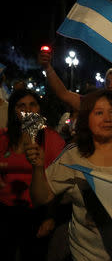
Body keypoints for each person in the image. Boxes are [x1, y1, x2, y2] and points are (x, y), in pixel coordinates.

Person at [25, 89, 112, 261]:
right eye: (99, 113)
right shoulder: (72, 155)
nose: (107, 118)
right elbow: (41, 198)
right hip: (87, 254)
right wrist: (38, 169)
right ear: (86, 118)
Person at [0, 89, 65, 261]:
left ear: (39, 109)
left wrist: (50, 217)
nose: (28, 110)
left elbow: (58, 181)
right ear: (14, 110)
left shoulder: (52, 139)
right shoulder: (4, 137)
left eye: (32, 105)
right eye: (21, 105)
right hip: (5, 210)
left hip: (38, 211)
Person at [38, 51, 112, 146]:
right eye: (107, 82)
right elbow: (63, 94)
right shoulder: (93, 104)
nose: (110, 85)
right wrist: (48, 68)